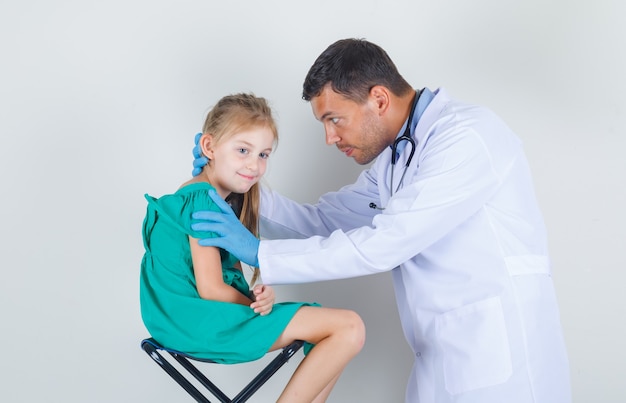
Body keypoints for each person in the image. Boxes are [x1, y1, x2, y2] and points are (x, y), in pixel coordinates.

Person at [190, 40, 572, 402]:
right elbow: (326, 220)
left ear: (379, 99)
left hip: (502, 363)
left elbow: (385, 243)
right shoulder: (395, 160)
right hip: (441, 360)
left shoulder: (467, 137)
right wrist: (241, 183)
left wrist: (258, 253)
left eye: (334, 119)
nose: (329, 137)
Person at [140, 93, 365, 403]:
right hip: (193, 321)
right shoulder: (202, 202)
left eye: (264, 154)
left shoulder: (222, 201)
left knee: (342, 330)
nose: (254, 165)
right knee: (347, 328)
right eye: (243, 150)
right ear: (209, 147)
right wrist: (257, 306)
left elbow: (230, 280)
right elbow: (212, 290)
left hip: (180, 320)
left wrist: (260, 296)